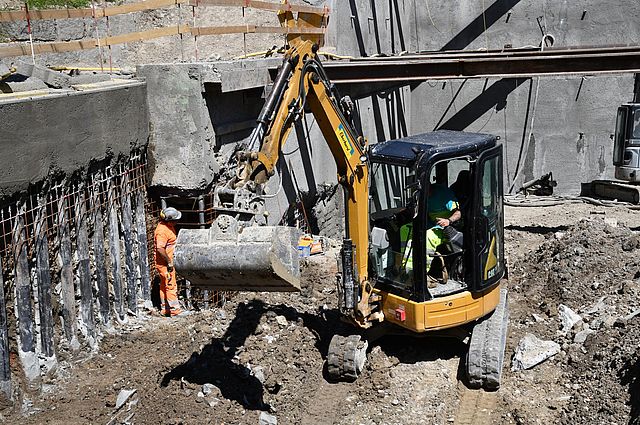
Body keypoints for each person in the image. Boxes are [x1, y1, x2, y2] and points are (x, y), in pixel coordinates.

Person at [399, 183, 461, 277]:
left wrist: (448, 220)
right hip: (430, 223)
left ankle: (422, 275)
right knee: (405, 229)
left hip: (445, 228)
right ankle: (405, 267)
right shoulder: (420, 196)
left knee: (427, 236)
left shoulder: (443, 194)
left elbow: (459, 212)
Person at [154, 207, 183, 316]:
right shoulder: (162, 231)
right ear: (169, 220)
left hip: (165, 263)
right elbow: (160, 248)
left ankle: (165, 308)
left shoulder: (167, 227)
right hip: (165, 264)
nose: (177, 222)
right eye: (175, 220)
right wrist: (169, 262)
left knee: (164, 285)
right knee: (170, 285)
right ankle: (175, 310)